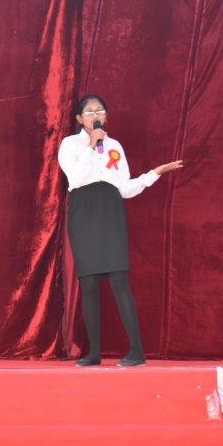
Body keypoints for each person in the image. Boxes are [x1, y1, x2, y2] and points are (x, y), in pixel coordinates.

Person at [58, 95, 182, 367]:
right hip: (84, 209)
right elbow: (76, 177)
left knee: (119, 280)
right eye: (89, 111)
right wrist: (92, 145)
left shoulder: (114, 146)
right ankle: (94, 353)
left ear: (106, 116)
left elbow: (124, 188)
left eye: (100, 110)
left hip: (111, 209)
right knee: (89, 284)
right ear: (79, 118)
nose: (95, 115)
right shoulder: (70, 144)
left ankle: (136, 351)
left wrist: (153, 174)